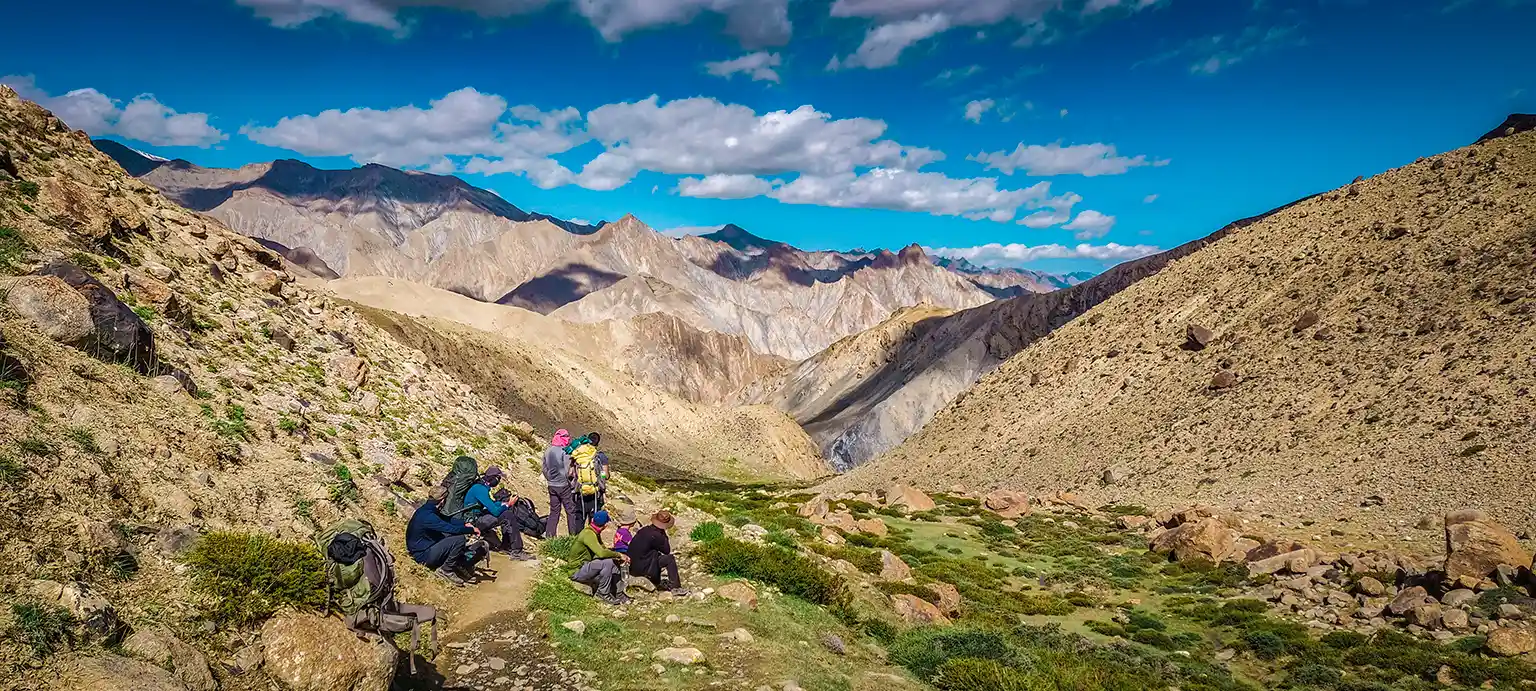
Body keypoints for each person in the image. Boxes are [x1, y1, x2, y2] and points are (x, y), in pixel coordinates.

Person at [405, 486, 488, 586]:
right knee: (459, 539)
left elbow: (446, 519)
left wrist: (464, 523)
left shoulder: (426, 510)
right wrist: (471, 530)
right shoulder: (429, 517)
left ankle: (457, 564)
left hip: (424, 548)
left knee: (450, 537)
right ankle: (446, 570)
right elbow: (452, 529)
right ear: (442, 500)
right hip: (423, 555)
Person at [464, 466, 535, 561]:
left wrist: (503, 503)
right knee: (507, 515)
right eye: (499, 478)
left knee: (506, 514)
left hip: (476, 516)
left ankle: (506, 546)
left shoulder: (481, 486)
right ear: (493, 478)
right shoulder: (480, 489)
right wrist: (509, 504)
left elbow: (490, 503)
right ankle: (516, 551)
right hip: (474, 521)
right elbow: (495, 511)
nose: (499, 481)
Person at [570, 510, 630, 605]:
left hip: (585, 566)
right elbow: (601, 553)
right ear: (605, 525)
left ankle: (619, 593)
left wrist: (617, 557)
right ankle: (602, 594)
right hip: (577, 570)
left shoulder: (593, 532)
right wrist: (619, 555)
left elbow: (603, 549)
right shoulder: (588, 534)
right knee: (609, 562)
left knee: (613, 562)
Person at [627, 510, 689, 596]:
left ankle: (656, 581)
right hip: (643, 568)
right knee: (669, 559)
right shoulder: (657, 536)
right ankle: (676, 587)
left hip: (632, 566)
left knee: (655, 554)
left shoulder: (645, 530)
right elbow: (667, 550)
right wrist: (664, 535)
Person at [543, 429, 581, 538]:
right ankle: (572, 537)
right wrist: (571, 482)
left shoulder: (548, 451)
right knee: (570, 511)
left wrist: (550, 478)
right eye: (567, 436)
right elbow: (568, 471)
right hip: (563, 485)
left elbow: (544, 468)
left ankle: (550, 536)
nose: (568, 439)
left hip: (552, 485)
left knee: (554, 511)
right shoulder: (565, 452)